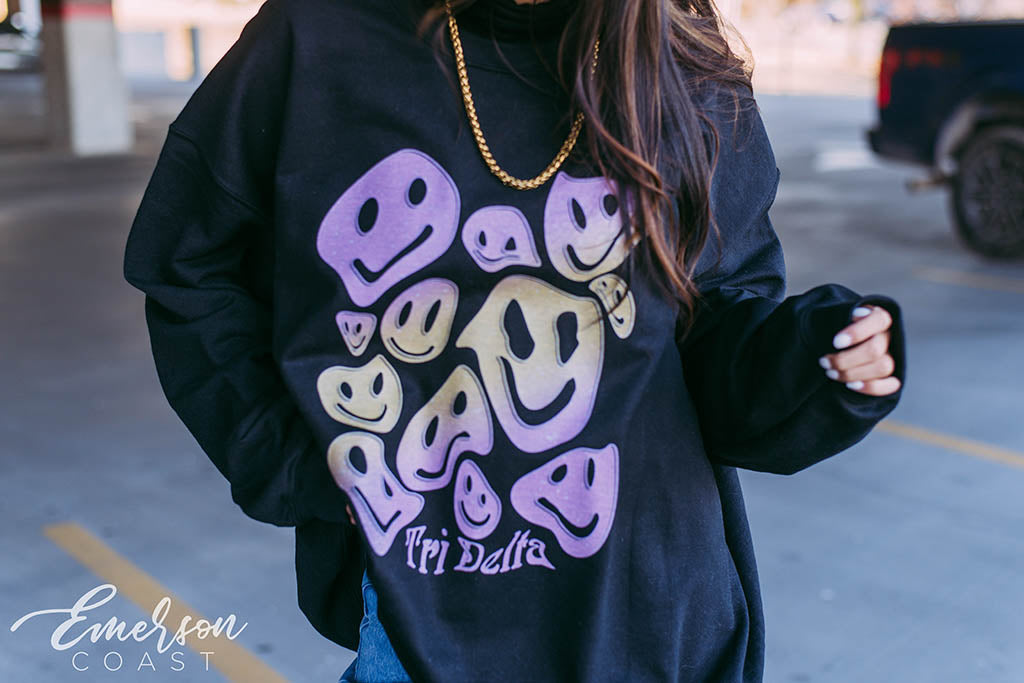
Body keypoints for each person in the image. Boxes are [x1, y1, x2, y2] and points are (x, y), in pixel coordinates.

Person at [122, 0, 907, 680]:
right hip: (426, 627)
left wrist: (814, 363)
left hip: (656, 618)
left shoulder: (681, 58)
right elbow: (188, 264)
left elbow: (717, 330)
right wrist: (296, 461)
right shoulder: (318, 35)